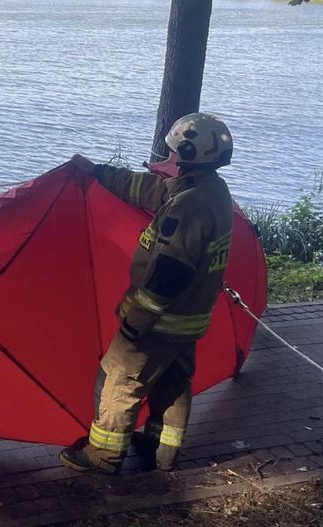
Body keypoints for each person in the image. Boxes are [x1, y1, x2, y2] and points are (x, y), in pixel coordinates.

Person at [61, 112, 235, 474]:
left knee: (118, 379)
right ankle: (161, 450)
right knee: (171, 382)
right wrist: (98, 171)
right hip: (188, 321)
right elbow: (149, 189)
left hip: (159, 321)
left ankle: (103, 456)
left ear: (189, 153)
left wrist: (136, 321)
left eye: (174, 151)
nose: (170, 157)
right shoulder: (210, 191)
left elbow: (168, 274)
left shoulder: (188, 207)